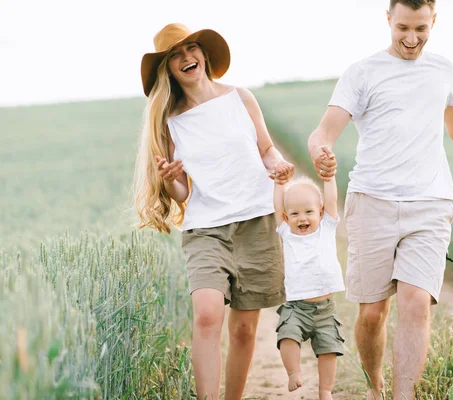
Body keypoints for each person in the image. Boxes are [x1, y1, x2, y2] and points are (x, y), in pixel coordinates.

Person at [307, 1, 453, 399]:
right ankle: (376, 386)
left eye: (421, 29)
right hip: (372, 202)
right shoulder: (362, 73)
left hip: (431, 204)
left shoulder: (442, 69)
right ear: (388, 20)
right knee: (373, 313)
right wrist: (321, 153)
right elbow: (323, 132)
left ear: (434, 22)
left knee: (415, 304)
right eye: (403, 28)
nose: (412, 39)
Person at [133, 23, 295, 400]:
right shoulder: (170, 120)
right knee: (206, 314)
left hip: (257, 221)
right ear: (168, 69)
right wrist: (170, 179)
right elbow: (181, 191)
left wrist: (279, 164)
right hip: (207, 229)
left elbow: (266, 149)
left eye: (191, 49)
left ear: (204, 55)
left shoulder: (241, 97)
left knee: (244, 330)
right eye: (175, 55)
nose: (186, 57)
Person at [272, 151, 345, 399]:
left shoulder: (326, 228)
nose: (302, 218)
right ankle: (293, 372)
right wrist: (279, 184)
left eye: (308, 212)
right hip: (296, 306)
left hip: (325, 309)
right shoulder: (287, 233)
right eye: (294, 214)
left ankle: (325, 390)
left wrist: (329, 178)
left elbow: (332, 200)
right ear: (286, 218)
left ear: (321, 212)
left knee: (329, 350)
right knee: (287, 337)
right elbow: (276, 205)